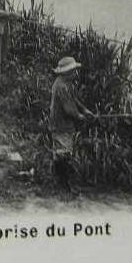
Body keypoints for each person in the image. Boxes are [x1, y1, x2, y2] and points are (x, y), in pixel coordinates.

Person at [49, 56, 94, 193]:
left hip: (59, 123)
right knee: (65, 153)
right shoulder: (62, 87)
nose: (76, 73)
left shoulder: (65, 84)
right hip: (61, 124)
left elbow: (75, 100)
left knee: (60, 152)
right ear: (67, 73)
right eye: (74, 71)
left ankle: (59, 182)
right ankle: (65, 184)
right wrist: (80, 116)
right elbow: (69, 109)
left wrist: (85, 110)